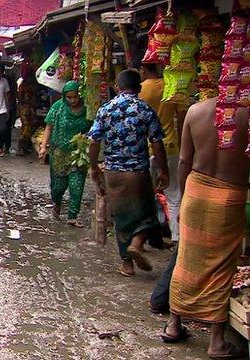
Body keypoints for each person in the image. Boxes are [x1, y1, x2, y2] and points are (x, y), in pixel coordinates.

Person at [162, 98, 249, 358]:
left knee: (187, 259)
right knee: (221, 265)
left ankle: (174, 324)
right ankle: (216, 341)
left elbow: (183, 161)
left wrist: (184, 199)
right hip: (229, 195)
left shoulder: (196, 111)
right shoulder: (247, 115)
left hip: (195, 192)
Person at [89, 69, 169, 277]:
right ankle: (137, 242)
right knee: (147, 212)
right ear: (139, 88)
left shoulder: (106, 109)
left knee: (122, 216)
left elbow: (94, 141)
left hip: (114, 171)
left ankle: (127, 264)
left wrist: (94, 167)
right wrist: (163, 170)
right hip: (138, 172)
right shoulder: (145, 109)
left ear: (117, 87)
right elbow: (157, 143)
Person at [139, 63, 186, 244]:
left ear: (143, 70)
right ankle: (177, 237)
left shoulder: (140, 89)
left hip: (146, 147)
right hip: (171, 146)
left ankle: (146, 237)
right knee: (174, 193)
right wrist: (183, 142)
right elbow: (182, 117)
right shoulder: (172, 87)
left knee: (145, 194)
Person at [38, 81, 90, 226]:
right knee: (58, 186)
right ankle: (57, 203)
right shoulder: (58, 108)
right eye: (69, 97)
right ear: (64, 96)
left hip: (78, 153)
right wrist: (43, 147)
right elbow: (48, 128)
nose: (73, 100)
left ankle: (72, 216)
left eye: (75, 97)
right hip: (59, 153)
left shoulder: (88, 109)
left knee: (76, 184)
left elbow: (95, 127)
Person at [17, 69, 42, 156]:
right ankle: (22, 146)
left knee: (30, 126)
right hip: (26, 108)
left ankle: (26, 145)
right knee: (26, 126)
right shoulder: (24, 86)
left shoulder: (29, 85)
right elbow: (20, 98)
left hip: (30, 108)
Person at [0, 73, 18, 154]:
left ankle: (2, 145)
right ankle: (6, 146)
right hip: (9, 109)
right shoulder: (13, 87)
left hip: (5, 109)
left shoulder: (6, 89)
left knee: (3, 129)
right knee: (7, 129)